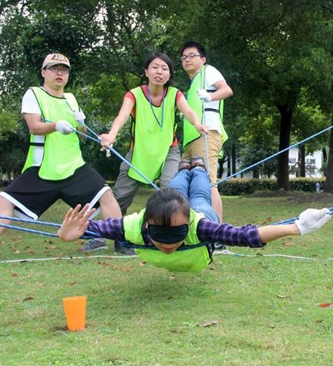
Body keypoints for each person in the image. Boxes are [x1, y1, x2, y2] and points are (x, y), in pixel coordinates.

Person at [57, 157, 331, 273]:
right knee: (173, 189)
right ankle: (186, 168)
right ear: (146, 224)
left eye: (174, 236)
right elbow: (92, 229)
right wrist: (67, 234)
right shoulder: (132, 226)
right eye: (159, 236)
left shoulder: (201, 226)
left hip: (198, 211)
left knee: (200, 192)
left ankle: (197, 168)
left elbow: (244, 235)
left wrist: (297, 227)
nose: (167, 245)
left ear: (186, 226)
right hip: (171, 206)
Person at [0, 53, 121, 248]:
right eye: (54, 68)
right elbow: (34, 127)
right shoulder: (34, 94)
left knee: (106, 195)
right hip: (43, 168)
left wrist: (100, 137)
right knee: (4, 202)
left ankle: (121, 243)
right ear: (43, 72)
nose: (59, 73)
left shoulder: (71, 99)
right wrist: (56, 126)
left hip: (74, 167)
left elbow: (82, 133)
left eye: (64, 70)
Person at [96, 52, 208, 255]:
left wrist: (199, 124)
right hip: (138, 152)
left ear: (169, 74)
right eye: (155, 67)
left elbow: (190, 112)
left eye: (165, 68)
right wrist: (111, 136)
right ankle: (111, 237)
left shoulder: (175, 94)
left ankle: (177, 236)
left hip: (169, 151)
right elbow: (122, 116)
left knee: (171, 190)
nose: (160, 72)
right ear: (146, 71)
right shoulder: (134, 94)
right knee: (121, 196)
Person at [180, 41, 233, 223]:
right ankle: (195, 227)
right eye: (184, 57)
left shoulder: (208, 71)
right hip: (191, 139)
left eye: (192, 56)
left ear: (203, 59)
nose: (187, 60)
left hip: (206, 134)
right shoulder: (193, 83)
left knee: (209, 183)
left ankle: (217, 233)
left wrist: (210, 96)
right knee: (186, 183)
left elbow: (226, 89)